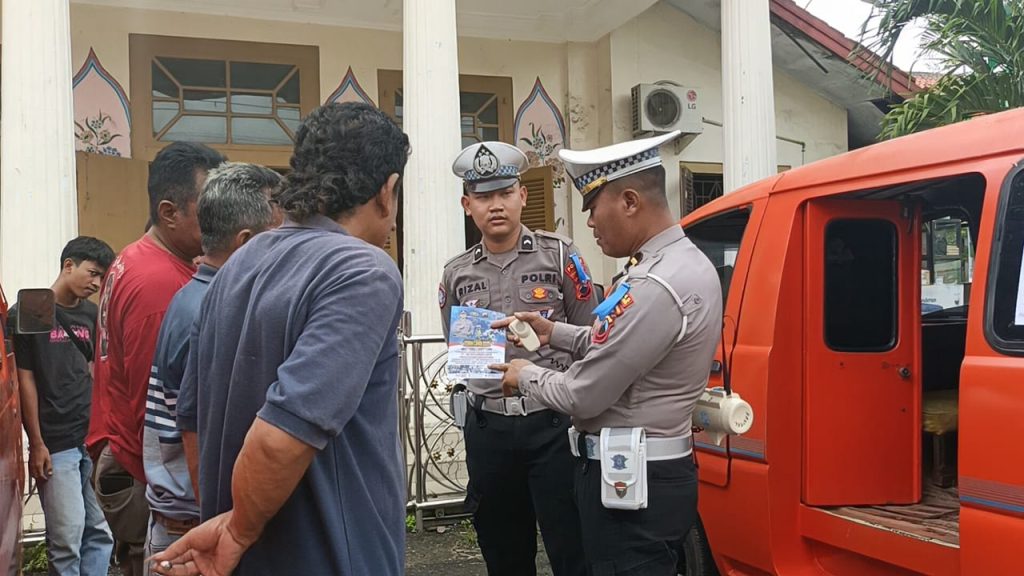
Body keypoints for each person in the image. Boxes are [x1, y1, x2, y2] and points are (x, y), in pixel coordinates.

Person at [150, 101, 408, 576]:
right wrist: (238, 530)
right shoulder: (361, 270)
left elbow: (192, 422)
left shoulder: (236, 265)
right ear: (387, 191)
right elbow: (278, 438)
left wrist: (223, 523)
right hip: (332, 557)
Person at [492, 131, 723, 575]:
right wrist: (553, 331)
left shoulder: (655, 286)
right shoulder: (676, 264)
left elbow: (583, 395)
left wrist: (524, 375)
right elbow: (621, 346)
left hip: (632, 487)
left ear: (630, 201)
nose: (591, 224)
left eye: (593, 209)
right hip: (640, 476)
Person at [440, 141, 595, 576]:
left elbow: (589, 336)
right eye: (484, 197)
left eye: (505, 193)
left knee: (573, 548)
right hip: (489, 428)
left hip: (554, 424)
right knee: (503, 553)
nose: (496, 205)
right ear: (467, 205)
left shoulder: (560, 255)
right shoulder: (457, 273)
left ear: (522, 196)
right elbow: (457, 347)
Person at [87, 142, 226, 576]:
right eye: (209, 208)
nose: (220, 219)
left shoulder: (135, 257)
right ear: (169, 212)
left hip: (123, 453)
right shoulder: (160, 284)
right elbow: (166, 408)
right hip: (145, 473)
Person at [142, 162, 284, 572]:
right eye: (278, 237)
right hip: (196, 533)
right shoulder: (213, 308)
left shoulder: (197, 294)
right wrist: (221, 528)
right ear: (247, 242)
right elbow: (195, 429)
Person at [10, 236, 116, 576]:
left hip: (86, 436)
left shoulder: (90, 313)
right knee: (67, 541)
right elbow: (25, 378)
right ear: (68, 265)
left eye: (102, 277)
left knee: (98, 535)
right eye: (93, 273)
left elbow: (93, 371)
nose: (97, 283)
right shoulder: (32, 309)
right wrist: (37, 443)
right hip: (55, 443)